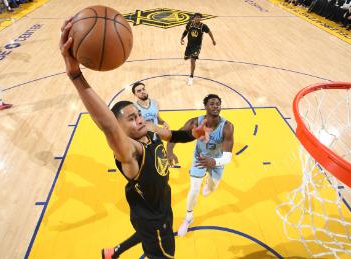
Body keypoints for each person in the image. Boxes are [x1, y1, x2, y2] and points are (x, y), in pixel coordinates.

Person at [59, 18, 212, 259]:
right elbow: (108, 126)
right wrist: (76, 75)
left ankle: (115, 251)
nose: (139, 120)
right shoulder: (130, 152)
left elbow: (173, 135)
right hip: (154, 217)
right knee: (162, 253)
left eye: (138, 114)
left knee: (144, 232)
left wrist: (194, 134)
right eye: (131, 119)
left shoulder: (149, 128)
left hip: (157, 204)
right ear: (120, 129)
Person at [166, 94, 234, 237]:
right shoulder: (195, 122)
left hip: (217, 161)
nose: (216, 106)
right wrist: (170, 151)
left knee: (212, 187)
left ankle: (209, 183)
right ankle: (188, 218)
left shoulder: (227, 126)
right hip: (199, 159)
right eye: (212, 103)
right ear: (205, 106)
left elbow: (228, 156)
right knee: (194, 189)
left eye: (218, 103)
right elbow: (175, 135)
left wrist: (214, 162)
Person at [181, 13, 216, 86]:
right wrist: (182, 38)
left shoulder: (203, 26)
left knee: (192, 60)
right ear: (194, 18)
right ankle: (189, 55)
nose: (198, 19)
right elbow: (186, 31)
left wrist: (213, 40)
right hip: (189, 45)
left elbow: (209, 32)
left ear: (201, 19)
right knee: (186, 57)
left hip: (197, 46)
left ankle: (191, 77)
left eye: (199, 18)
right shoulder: (190, 24)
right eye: (196, 17)